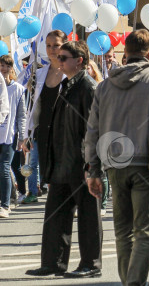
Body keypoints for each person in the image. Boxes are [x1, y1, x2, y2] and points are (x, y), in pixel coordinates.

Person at [84, 30, 149, 286]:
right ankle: (133, 284)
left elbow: (92, 131)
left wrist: (92, 170)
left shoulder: (104, 85)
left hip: (114, 164)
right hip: (147, 162)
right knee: (145, 232)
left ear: (124, 53)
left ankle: (129, 281)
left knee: (123, 232)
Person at [26, 41, 102, 279]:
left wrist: (91, 165)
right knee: (55, 214)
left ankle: (91, 264)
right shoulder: (67, 85)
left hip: (80, 162)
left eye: (63, 57)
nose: (58, 61)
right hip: (61, 159)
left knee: (89, 215)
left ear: (79, 60)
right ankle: (53, 262)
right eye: (57, 57)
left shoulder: (88, 87)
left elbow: (94, 128)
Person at [23, 30, 68, 205]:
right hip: (43, 131)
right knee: (48, 174)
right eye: (48, 45)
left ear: (64, 45)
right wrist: (28, 133)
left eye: (56, 45)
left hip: (64, 131)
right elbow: (34, 107)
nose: (51, 49)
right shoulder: (39, 75)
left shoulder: (70, 72)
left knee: (62, 175)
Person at [0, 54, 21, 219]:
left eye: (7, 66)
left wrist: (22, 136)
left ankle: (5, 205)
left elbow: (22, 115)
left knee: (5, 169)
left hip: (9, 135)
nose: (4, 69)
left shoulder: (18, 89)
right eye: (1, 65)